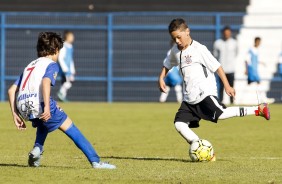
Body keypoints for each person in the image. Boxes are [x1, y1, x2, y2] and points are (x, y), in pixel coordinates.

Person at [158, 18, 270, 160]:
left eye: (179, 37)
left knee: (221, 114)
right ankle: (198, 146)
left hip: (205, 93)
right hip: (189, 99)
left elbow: (217, 66)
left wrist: (227, 85)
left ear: (187, 32)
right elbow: (167, 64)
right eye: (174, 39)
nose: (177, 41)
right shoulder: (175, 51)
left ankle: (258, 109)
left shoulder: (199, 49)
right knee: (179, 124)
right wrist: (161, 78)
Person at [7, 32, 116, 169]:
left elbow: (11, 90)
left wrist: (15, 115)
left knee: (43, 122)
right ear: (55, 50)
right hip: (39, 103)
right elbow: (46, 82)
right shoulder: (51, 64)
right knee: (72, 129)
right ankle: (96, 161)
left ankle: (37, 149)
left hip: (23, 107)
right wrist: (47, 107)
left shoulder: (30, 66)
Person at [245, 37, 275, 103]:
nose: (259, 43)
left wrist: (262, 63)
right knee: (257, 82)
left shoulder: (256, 50)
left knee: (253, 83)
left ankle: (261, 98)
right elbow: (247, 60)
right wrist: (246, 69)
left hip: (255, 69)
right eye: (258, 42)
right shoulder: (251, 50)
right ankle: (263, 98)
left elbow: (256, 60)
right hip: (252, 69)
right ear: (255, 41)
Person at [213, 26, 237, 104]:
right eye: (225, 33)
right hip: (221, 69)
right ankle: (220, 102)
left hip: (231, 69)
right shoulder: (218, 43)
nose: (226, 34)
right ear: (223, 33)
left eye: (228, 33)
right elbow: (215, 55)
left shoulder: (234, 43)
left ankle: (232, 101)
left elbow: (236, 53)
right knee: (220, 87)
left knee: (231, 85)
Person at [57, 30, 75, 102]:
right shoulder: (63, 46)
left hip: (69, 69)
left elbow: (70, 59)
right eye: (71, 36)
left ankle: (62, 96)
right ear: (67, 37)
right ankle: (61, 94)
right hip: (64, 69)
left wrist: (72, 69)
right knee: (67, 82)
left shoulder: (70, 46)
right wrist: (64, 68)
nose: (72, 38)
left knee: (68, 82)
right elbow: (60, 58)